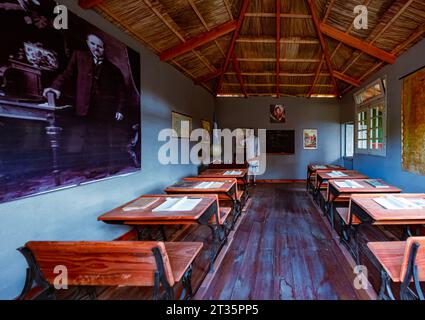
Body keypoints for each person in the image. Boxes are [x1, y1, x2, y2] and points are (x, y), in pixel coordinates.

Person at [43, 33, 127, 174]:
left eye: (100, 46)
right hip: (84, 106)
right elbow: (66, 74)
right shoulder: (79, 57)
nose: (96, 48)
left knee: (103, 139)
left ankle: (104, 168)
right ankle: (93, 168)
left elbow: (121, 92)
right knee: (87, 138)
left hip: (105, 109)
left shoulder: (113, 69)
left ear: (104, 49)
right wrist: (55, 87)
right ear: (88, 43)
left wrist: (120, 110)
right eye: (93, 44)